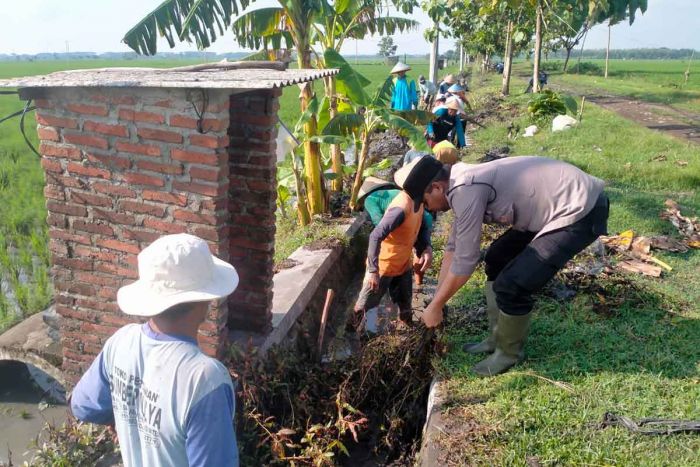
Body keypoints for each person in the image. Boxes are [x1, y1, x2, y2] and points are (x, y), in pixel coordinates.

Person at [395, 156, 609, 376]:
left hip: (581, 209)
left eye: (426, 201)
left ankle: (508, 353)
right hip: (549, 209)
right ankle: (496, 337)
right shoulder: (458, 184)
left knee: (513, 284)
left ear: (437, 187)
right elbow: (453, 248)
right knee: (497, 258)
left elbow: (466, 260)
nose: (428, 208)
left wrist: (436, 305)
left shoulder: (466, 188)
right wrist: (437, 300)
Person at [70, 233, 241, 466]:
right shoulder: (204, 379)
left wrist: (128, 420)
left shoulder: (120, 341)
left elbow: (83, 405)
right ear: (204, 300)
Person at [352, 175, 434, 329]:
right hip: (385, 264)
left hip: (403, 261)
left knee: (404, 301)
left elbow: (419, 226)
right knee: (366, 305)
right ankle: (354, 333)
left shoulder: (416, 203)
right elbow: (377, 234)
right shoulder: (400, 203)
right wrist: (373, 271)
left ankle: (407, 329)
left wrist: (425, 247)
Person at [356, 175, 435, 287]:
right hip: (423, 217)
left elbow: (378, 223)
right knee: (420, 249)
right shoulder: (396, 192)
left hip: (410, 222)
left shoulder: (370, 199)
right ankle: (418, 283)